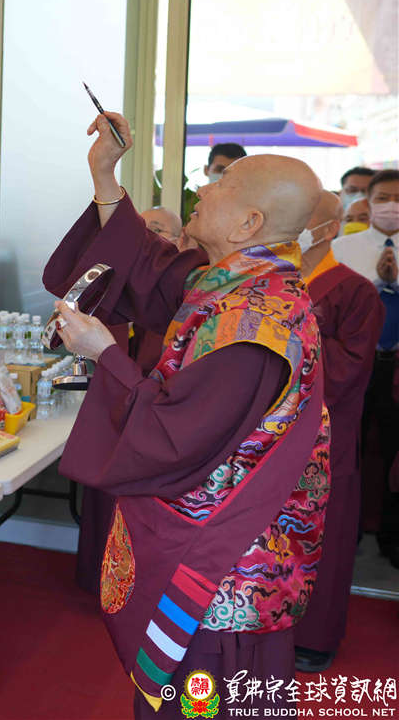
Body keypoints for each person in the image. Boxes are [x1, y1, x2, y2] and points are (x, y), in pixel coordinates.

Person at [45, 111, 327, 719]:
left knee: (206, 705)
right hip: (221, 549)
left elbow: (173, 437)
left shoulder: (254, 323)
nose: (203, 187)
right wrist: (105, 178)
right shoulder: (235, 282)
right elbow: (151, 269)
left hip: (222, 572)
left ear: (250, 223)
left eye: (222, 183)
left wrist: (106, 354)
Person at [74, 204, 191, 597]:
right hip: (113, 410)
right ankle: (96, 579)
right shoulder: (116, 285)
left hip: (150, 420)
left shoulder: (185, 299)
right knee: (103, 506)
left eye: (156, 230)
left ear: (177, 243)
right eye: (143, 230)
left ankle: (131, 592)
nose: (148, 239)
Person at [291, 192, 383, 672]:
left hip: (323, 436)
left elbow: (348, 370)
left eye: (301, 218)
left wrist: (291, 337)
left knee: (321, 536)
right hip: (261, 434)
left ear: (327, 229)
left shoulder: (355, 291)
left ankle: (314, 637)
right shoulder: (271, 281)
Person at [333, 169, 399, 567]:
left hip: (398, 367)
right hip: (356, 363)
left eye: (398, 199)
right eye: (384, 198)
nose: (392, 206)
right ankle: (347, 531)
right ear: (369, 203)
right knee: (349, 449)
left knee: (395, 455)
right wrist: (376, 283)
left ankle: (392, 537)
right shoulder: (343, 248)